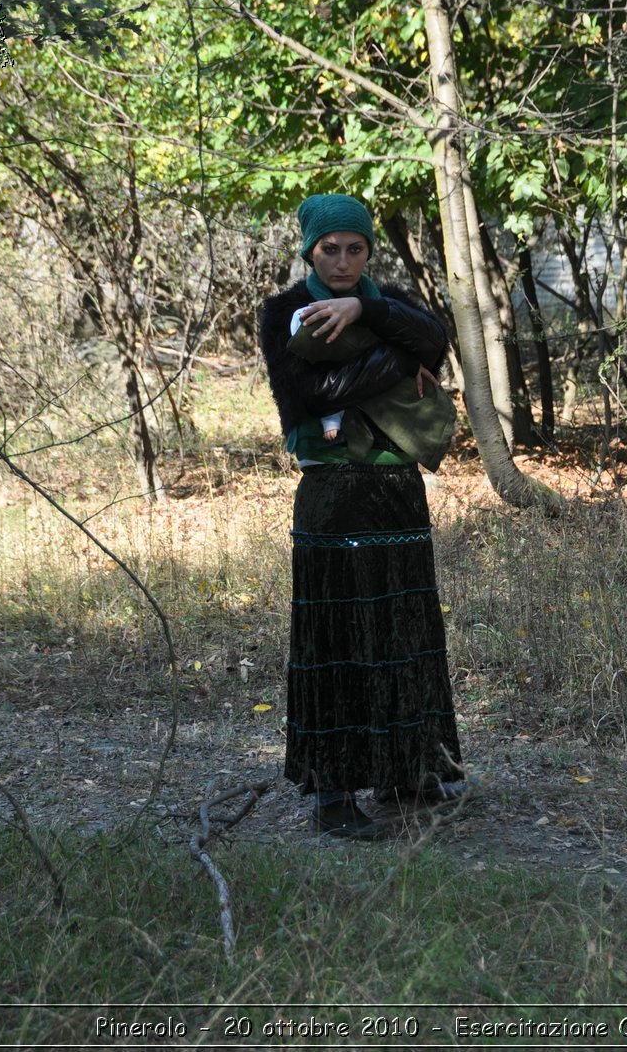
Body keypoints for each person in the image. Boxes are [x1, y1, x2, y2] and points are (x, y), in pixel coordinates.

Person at [259, 193, 468, 840]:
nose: (344, 259)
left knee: (403, 632)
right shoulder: (283, 311)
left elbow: (437, 340)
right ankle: (334, 794)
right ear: (309, 250)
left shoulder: (387, 298)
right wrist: (395, 360)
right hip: (333, 494)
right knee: (340, 641)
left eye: (356, 248)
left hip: (398, 488)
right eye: (331, 249)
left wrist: (366, 313)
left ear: (368, 250)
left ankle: (411, 771)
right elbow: (304, 398)